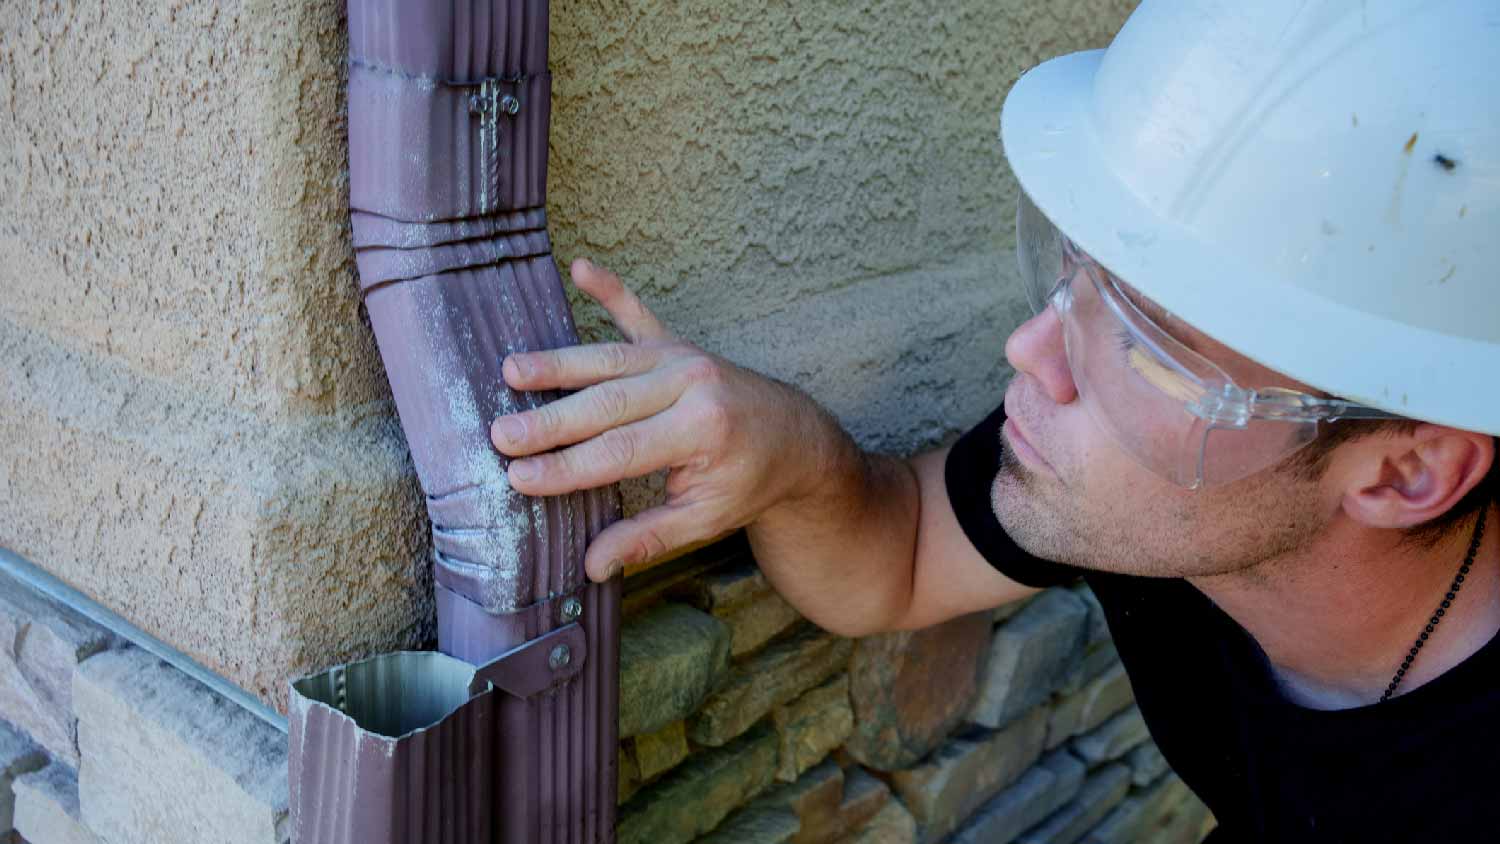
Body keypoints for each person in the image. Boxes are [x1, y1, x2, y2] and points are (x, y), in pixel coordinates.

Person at [487, 2, 1499, 841]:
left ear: (1406, 471)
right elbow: (908, 547)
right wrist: (785, 452)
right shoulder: (1157, 490)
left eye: (1149, 342)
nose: (1031, 349)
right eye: (1076, 264)